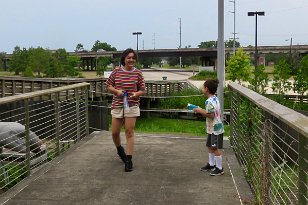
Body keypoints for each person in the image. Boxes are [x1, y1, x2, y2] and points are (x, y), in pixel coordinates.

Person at [106, 48, 145, 172]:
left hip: (132, 105)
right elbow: (108, 85)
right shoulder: (117, 71)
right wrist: (117, 91)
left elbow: (142, 89)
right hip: (118, 104)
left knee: (129, 132)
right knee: (114, 132)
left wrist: (135, 94)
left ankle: (128, 159)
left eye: (133, 58)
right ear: (124, 59)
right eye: (128, 57)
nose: (131, 60)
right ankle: (119, 150)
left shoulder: (138, 73)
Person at [193, 79, 224, 176]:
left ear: (206, 89)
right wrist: (202, 110)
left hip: (215, 129)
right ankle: (211, 164)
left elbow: (211, 115)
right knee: (210, 146)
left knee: (215, 148)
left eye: (203, 87)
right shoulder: (215, 98)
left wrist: (199, 110)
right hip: (212, 128)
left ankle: (219, 168)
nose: (202, 89)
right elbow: (214, 113)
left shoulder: (209, 102)